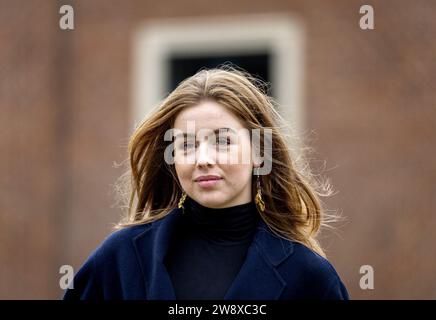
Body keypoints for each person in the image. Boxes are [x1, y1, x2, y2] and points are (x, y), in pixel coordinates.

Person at [63, 66, 349, 300]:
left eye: (222, 141)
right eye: (186, 144)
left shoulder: (310, 277)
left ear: (260, 153)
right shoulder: (120, 258)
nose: (203, 158)